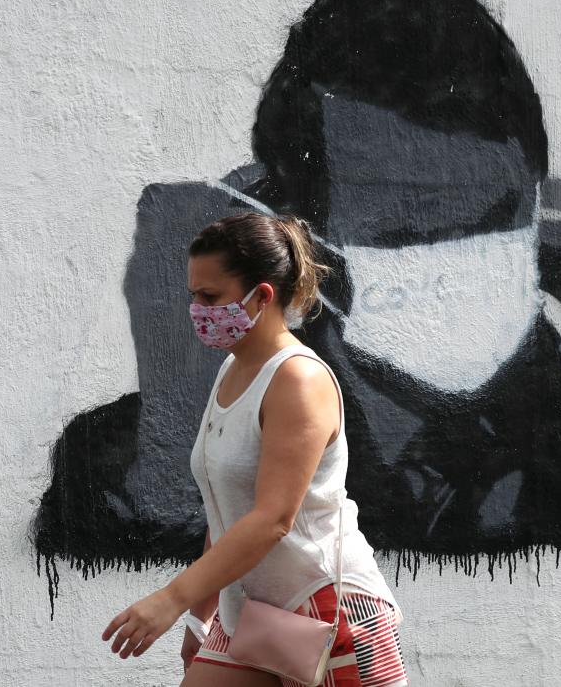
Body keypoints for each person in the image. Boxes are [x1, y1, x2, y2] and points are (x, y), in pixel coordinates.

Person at [34, 0, 561, 581]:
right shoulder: (141, 453)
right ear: (297, 235)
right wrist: (186, 417)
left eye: (495, 215)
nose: (460, 250)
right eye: (405, 232)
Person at [102, 213, 408, 687]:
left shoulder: (297, 380)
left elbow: (271, 519)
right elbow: (228, 510)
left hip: (329, 613)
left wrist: (172, 598)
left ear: (261, 296)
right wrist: (199, 617)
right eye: (194, 296)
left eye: (210, 297)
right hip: (250, 611)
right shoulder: (232, 371)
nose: (197, 310)